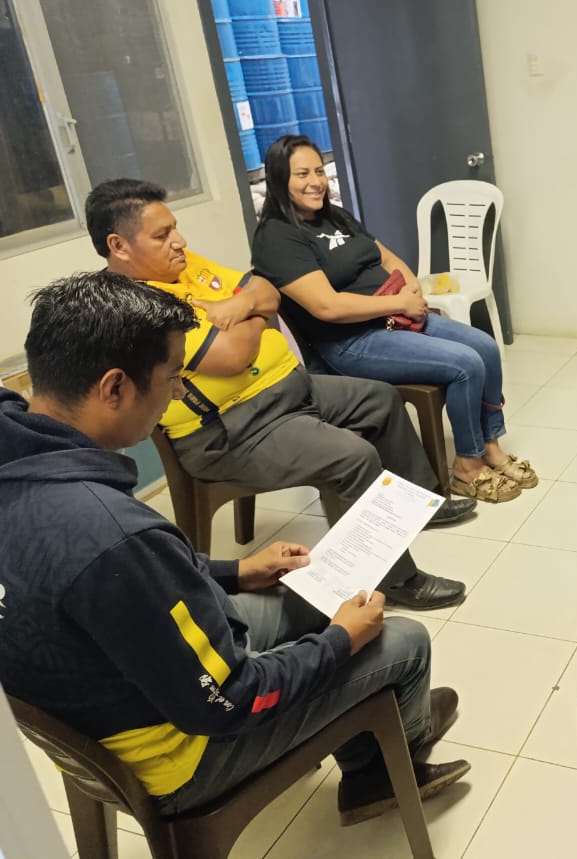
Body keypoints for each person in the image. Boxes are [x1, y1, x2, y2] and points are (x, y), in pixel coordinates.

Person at [0, 271, 470, 825]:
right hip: (179, 755)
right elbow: (232, 700)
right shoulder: (111, 532)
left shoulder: (22, 460)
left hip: (112, 692)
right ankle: (384, 767)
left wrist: (236, 571)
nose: (179, 392)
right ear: (114, 388)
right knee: (403, 642)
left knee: (310, 598)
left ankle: (373, 736)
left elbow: (126, 583)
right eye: (173, 378)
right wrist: (341, 642)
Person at [88, 178, 469, 611]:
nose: (180, 241)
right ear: (119, 246)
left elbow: (266, 288)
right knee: (353, 457)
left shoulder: (182, 265)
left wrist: (240, 307)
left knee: (381, 400)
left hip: (287, 389)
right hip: (233, 430)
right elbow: (233, 356)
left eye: (174, 227)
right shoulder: (137, 308)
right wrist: (255, 313)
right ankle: (396, 581)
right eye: (162, 235)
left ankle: (416, 508)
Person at [251, 135, 536, 505]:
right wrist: (398, 303)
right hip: (350, 341)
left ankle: (490, 447)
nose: (316, 181)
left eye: (319, 171)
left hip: (396, 316)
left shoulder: (335, 216)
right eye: (302, 174)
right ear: (278, 180)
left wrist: (411, 288)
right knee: (465, 364)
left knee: (485, 347)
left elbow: (386, 258)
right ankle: (467, 466)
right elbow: (327, 307)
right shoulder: (277, 237)